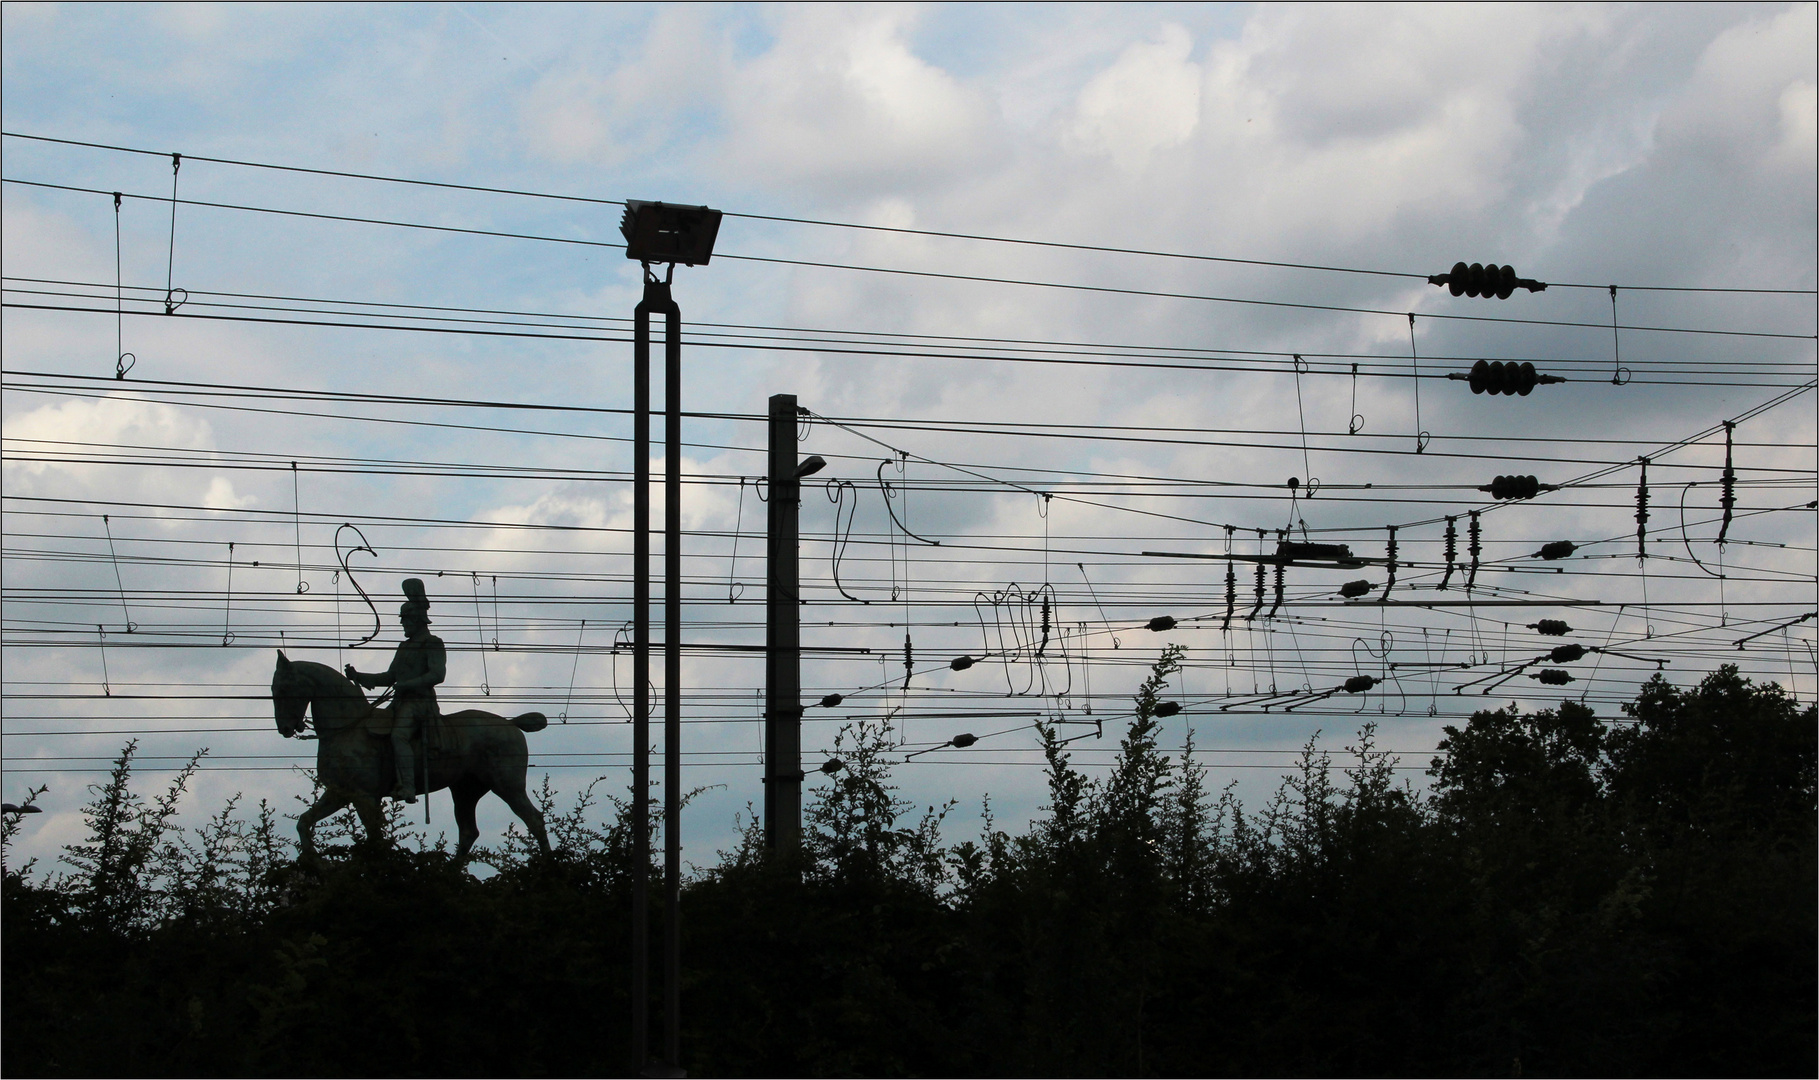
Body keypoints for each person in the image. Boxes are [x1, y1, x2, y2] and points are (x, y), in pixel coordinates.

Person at [345, 579, 445, 803]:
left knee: (399, 736)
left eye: (406, 621)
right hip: (400, 703)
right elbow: (390, 677)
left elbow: (437, 675)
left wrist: (408, 684)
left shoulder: (432, 643)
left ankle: (407, 786)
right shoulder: (404, 646)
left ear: (417, 620)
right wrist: (359, 676)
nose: (403, 625)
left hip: (421, 704)